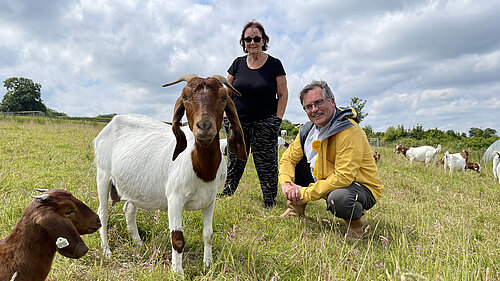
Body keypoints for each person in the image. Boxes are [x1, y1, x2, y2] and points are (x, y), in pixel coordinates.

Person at [278, 80, 382, 240]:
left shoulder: (349, 130)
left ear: (332, 101)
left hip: (360, 187)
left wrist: (304, 193)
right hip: (325, 179)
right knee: (296, 163)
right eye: (308, 106)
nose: (314, 110)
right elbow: (287, 159)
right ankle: (294, 211)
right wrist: (286, 183)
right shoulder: (307, 130)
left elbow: (343, 177)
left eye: (319, 102)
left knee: (339, 199)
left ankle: (355, 226)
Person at [218, 20, 288, 209]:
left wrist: (277, 120)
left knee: (266, 164)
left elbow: (282, 94)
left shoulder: (275, 64)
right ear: (243, 42)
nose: (252, 42)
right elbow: (226, 93)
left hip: (266, 122)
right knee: (235, 160)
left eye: (256, 38)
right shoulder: (237, 64)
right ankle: (228, 192)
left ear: (264, 40)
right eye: (248, 39)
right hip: (238, 123)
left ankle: (269, 201)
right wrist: (226, 117)